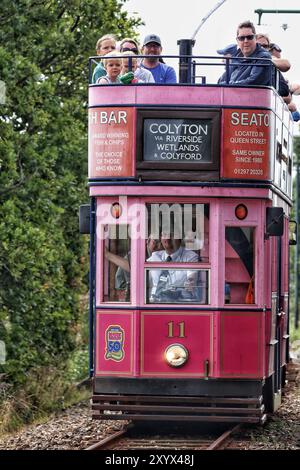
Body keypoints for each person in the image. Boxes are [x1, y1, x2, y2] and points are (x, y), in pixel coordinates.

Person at [147, 232, 201, 303]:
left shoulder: (190, 257)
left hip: (179, 303)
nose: (168, 238)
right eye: (164, 235)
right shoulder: (155, 257)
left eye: (172, 235)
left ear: (180, 238)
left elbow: (191, 279)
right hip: (152, 303)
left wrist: (190, 282)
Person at [218, 21, 272, 87]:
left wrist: (229, 84)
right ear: (237, 40)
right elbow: (221, 81)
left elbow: (253, 82)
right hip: (233, 96)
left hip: (253, 96)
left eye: (249, 37)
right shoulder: (236, 59)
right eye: (241, 38)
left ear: (255, 38)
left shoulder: (263, 57)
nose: (246, 41)